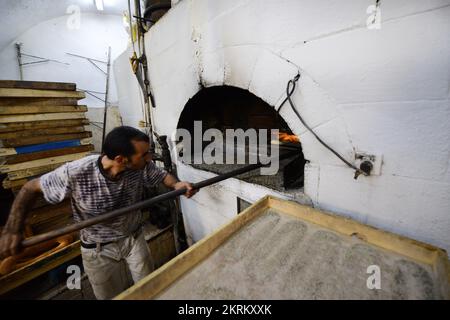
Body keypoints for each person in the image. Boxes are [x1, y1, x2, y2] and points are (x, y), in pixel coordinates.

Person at [0, 126, 197, 299]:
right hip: (98, 250)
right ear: (121, 159)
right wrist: (12, 229)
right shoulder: (77, 172)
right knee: (111, 297)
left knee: (150, 288)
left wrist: (177, 184)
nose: (150, 158)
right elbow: (30, 188)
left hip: (133, 238)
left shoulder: (141, 166)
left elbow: (161, 176)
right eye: (144, 155)